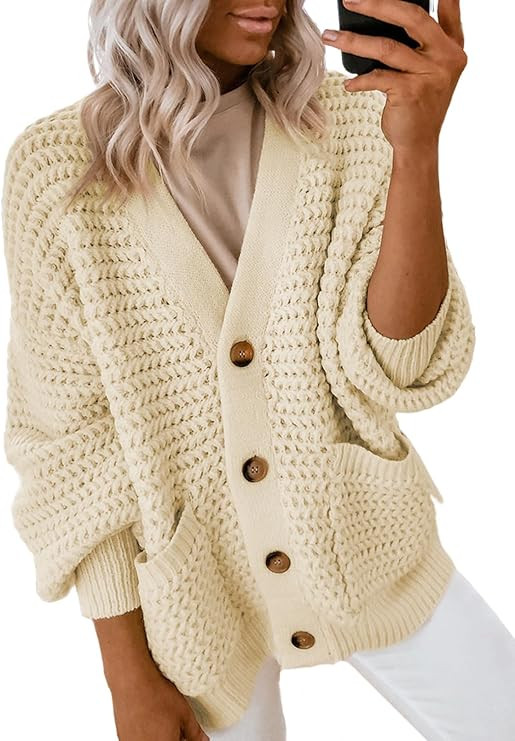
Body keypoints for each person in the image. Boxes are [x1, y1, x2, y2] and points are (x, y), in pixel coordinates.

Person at [2, 1, 515, 740]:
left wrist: (417, 150)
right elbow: (69, 448)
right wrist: (128, 677)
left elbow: (398, 362)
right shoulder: (55, 172)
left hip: (364, 543)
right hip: (197, 606)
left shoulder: (347, 119)